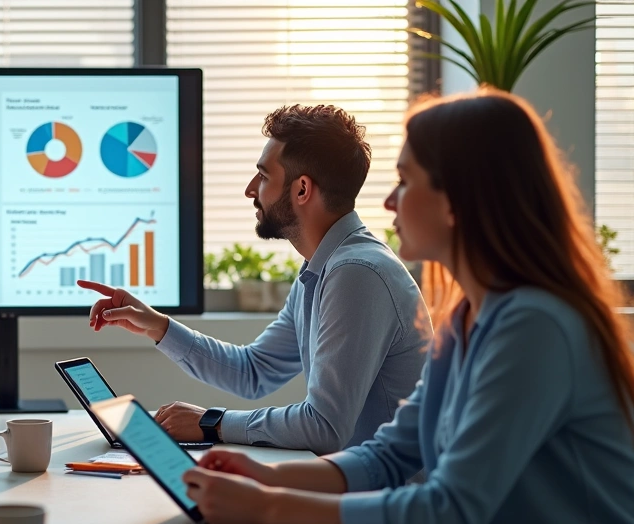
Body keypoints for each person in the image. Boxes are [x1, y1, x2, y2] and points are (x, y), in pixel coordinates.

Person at [183, 90, 634, 524]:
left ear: (457, 200)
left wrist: (270, 506)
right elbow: (390, 455)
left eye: (406, 180)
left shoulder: (534, 324)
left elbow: (448, 513)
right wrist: (265, 477)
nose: (390, 201)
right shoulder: (468, 315)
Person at [81, 105, 427, 454]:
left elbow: (324, 427)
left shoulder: (357, 274)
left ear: (302, 189)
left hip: (380, 500)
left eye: (263, 175)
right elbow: (253, 371)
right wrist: (157, 326)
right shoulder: (322, 269)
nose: (250, 190)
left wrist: (211, 423)